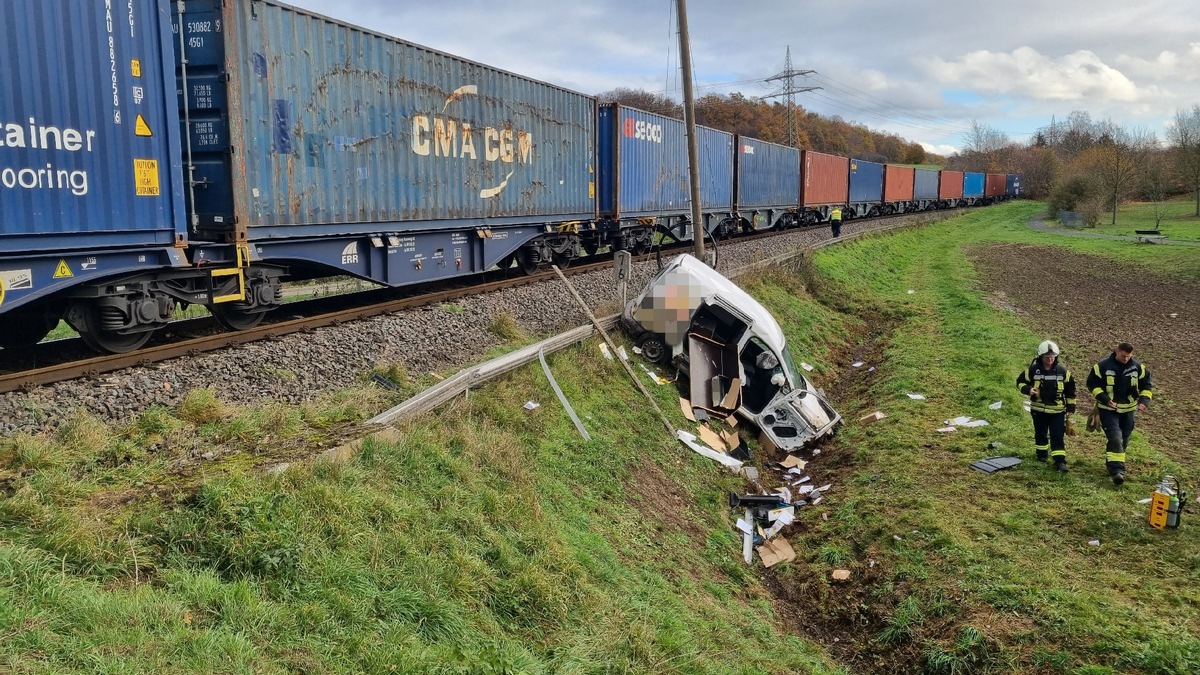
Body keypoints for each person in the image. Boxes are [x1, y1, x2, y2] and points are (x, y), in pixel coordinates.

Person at [1086, 342, 1153, 485]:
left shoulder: (1138, 368)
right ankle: (1117, 471)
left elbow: (1147, 385)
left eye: (1129, 357)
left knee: (1124, 440)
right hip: (1108, 410)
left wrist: (1144, 401)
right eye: (1123, 356)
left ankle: (1113, 463)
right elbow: (1092, 384)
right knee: (1115, 438)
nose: (1126, 359)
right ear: (1116, 351)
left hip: (1128, 411)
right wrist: (1104, 399)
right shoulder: (1102, 367)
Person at [1016, 340, 1077, 471]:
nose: (1050, 359)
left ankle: (1060, 461)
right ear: (1041, 356)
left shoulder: (1063, 372)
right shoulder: (1033, 370)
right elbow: (1020, 382)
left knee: (1057, 435)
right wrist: (1028, 389)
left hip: (1057, 411)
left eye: (1052, 356)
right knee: (1040, 433)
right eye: (1047, 357)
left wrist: (1070, 409)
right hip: (1038, 410)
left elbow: (1071, 392)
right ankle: (1041, 456)